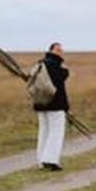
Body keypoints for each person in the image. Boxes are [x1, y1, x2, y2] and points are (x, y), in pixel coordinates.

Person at [34, 42, 70, 171]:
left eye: (61, 49)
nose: (60, 51)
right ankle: (50, 160)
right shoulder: (54, 64)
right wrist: (65, 69)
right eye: (57, 49)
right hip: (55, 103)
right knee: (56, 131)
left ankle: (41, 160)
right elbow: (61, 77)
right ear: (51, 50)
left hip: (40, 103)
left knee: (44, 131)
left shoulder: (40, 64)